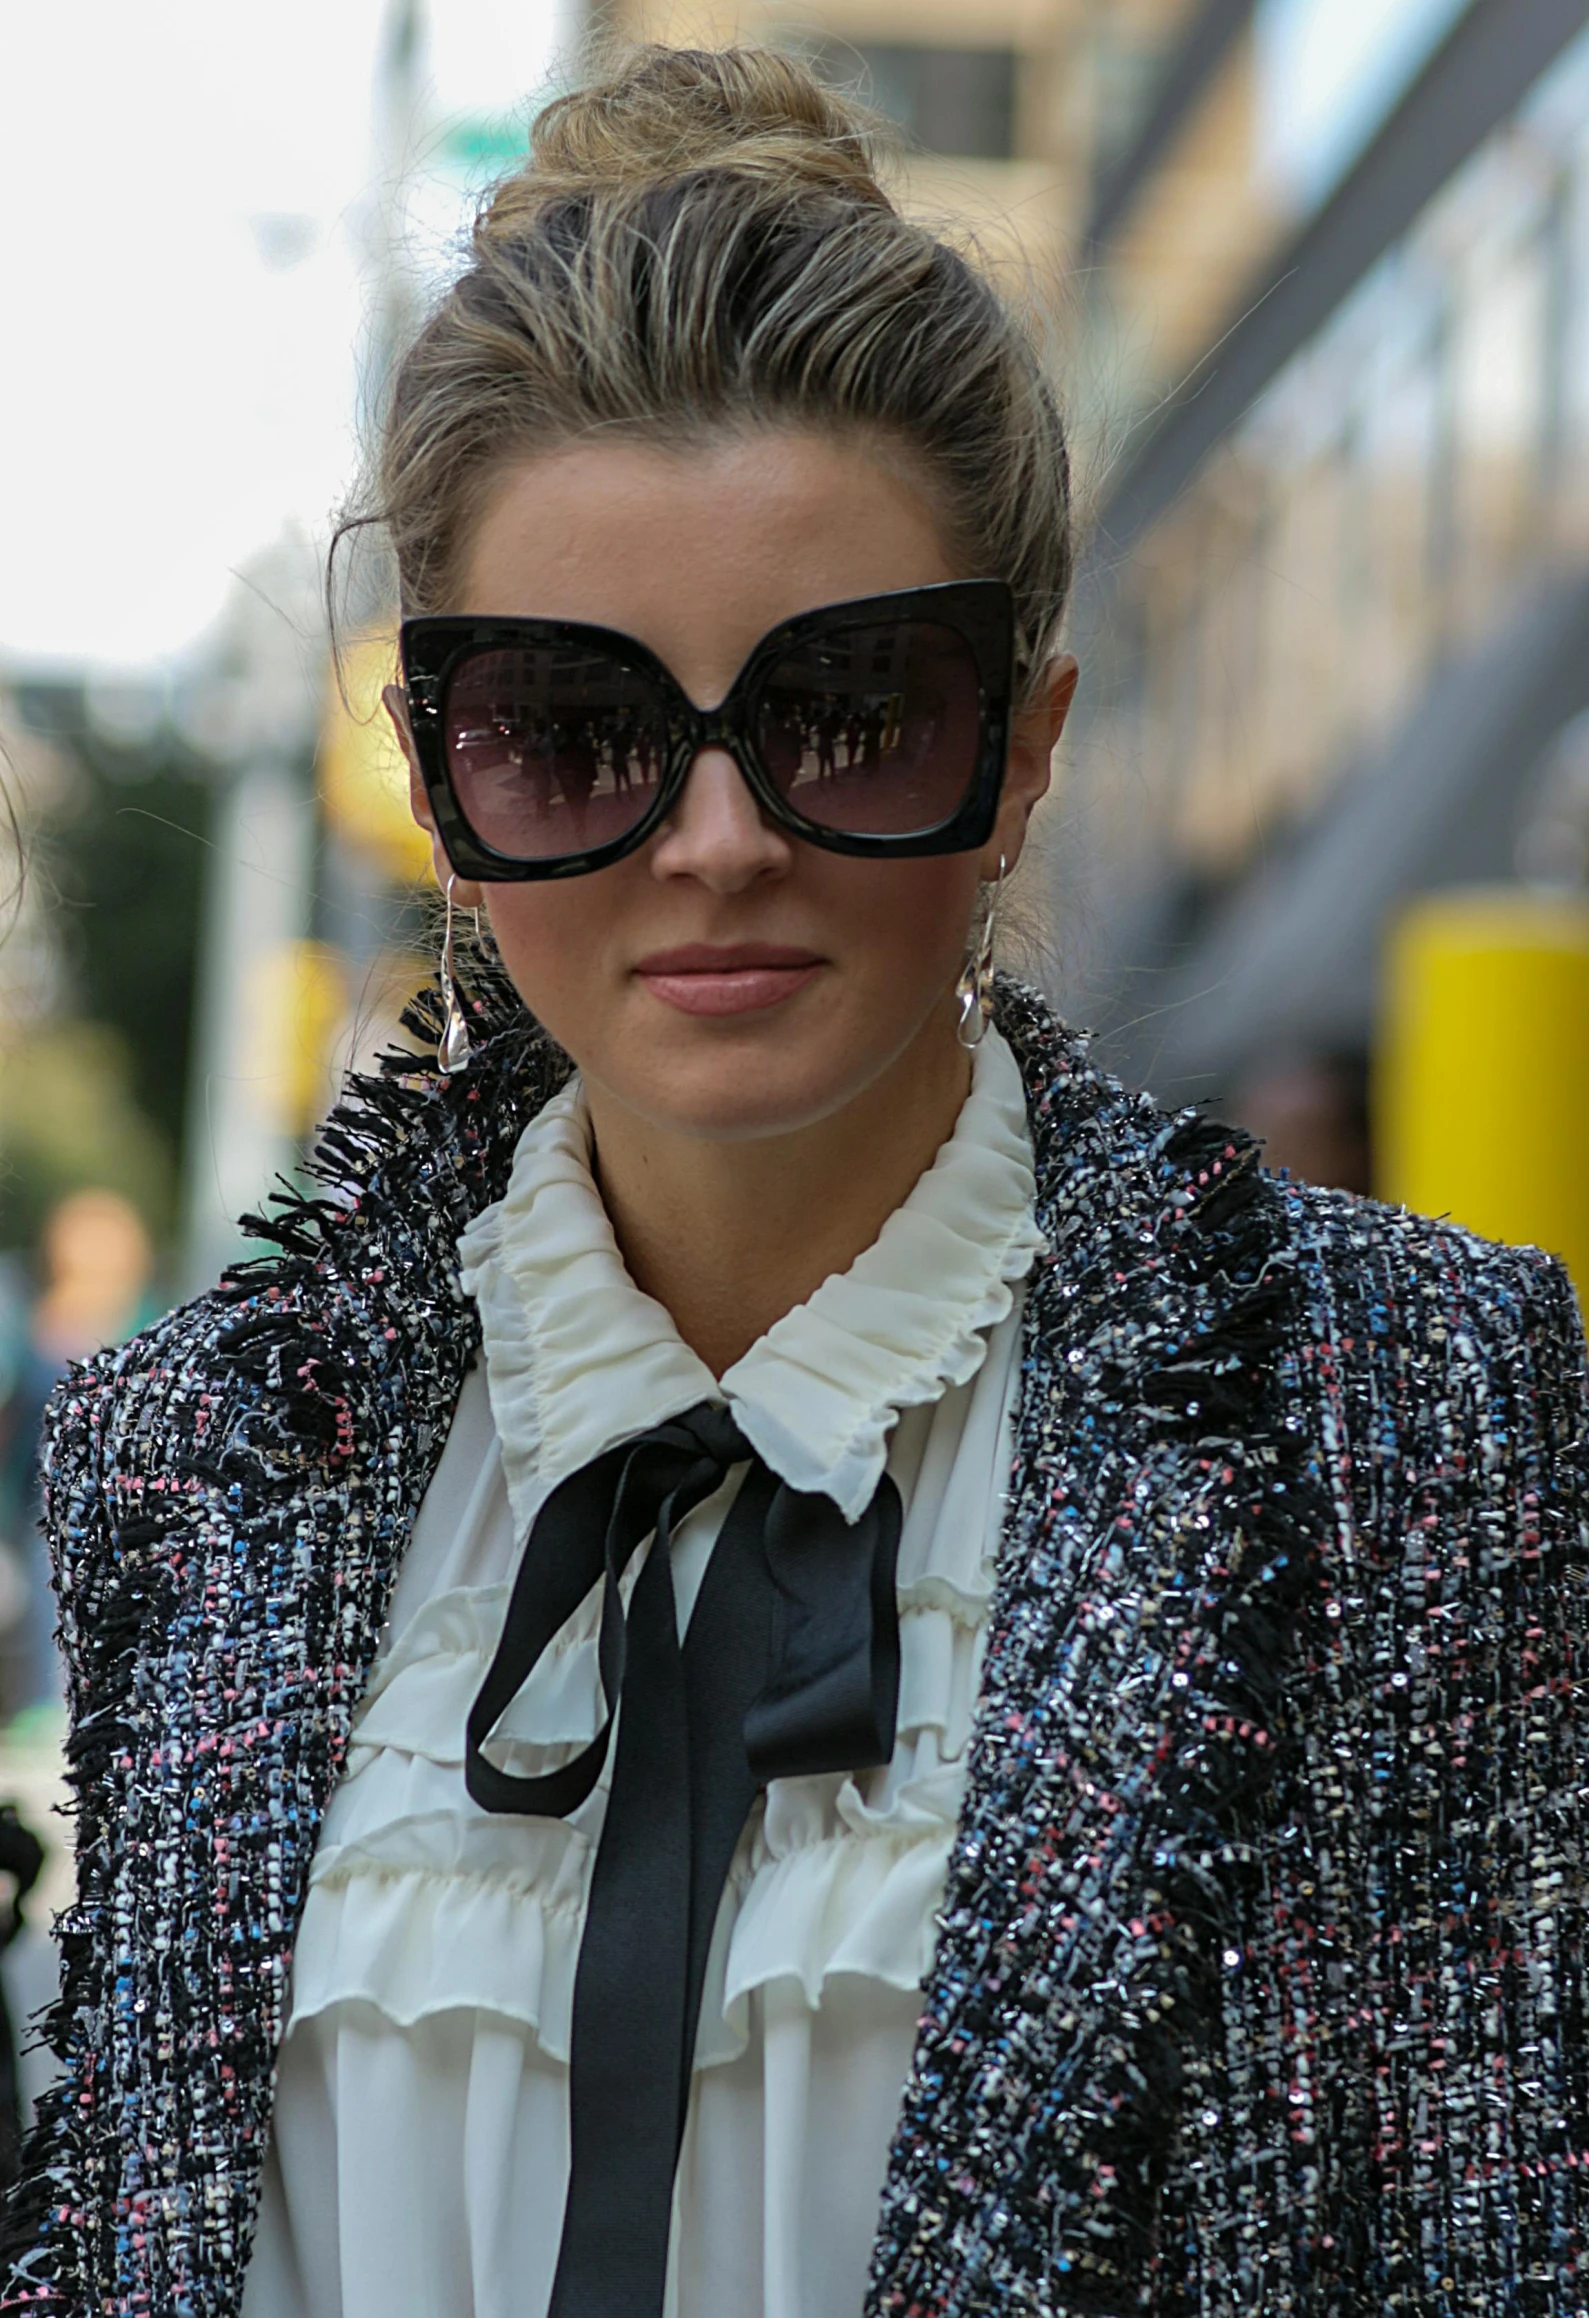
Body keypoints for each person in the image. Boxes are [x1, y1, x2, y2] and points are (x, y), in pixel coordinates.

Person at [4, 44, 1588, 2318]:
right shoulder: (201, 1455)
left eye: (851, 710)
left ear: (1022, 745)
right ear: (440, 778)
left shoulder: (1402, 1409)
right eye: (574, 730)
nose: (716, 836)